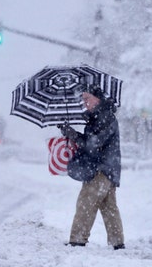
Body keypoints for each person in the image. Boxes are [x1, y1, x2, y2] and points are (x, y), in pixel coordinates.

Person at [58, 84, 125, 250]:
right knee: (109, 207)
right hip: (108, 169)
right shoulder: (99, 117)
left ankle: (77, 241)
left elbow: (93, 145)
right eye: (83, 99)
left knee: (85, 203)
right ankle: (117, 243)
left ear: (98, 98)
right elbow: (91, 142)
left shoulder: (104, 117)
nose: (85, 102)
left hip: (100, 169)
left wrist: (72, 134)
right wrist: (70, 132)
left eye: (88, 98)